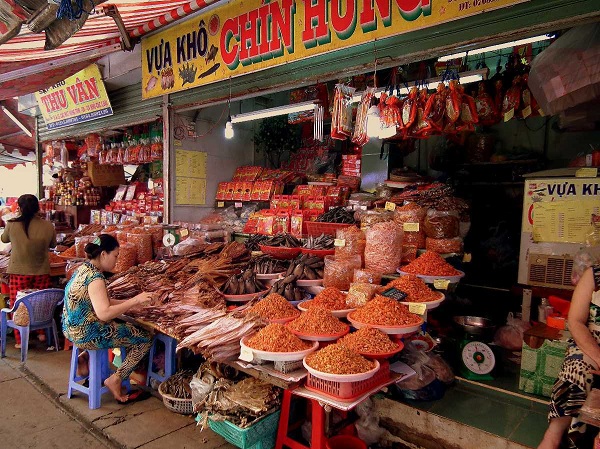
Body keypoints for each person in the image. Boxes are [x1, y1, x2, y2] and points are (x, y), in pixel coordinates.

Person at [62, 234, 153, 403]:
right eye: (115, 256)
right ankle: (116, 379)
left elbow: (101, 301)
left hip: (70, 330)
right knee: (145, 338)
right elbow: (104, 313)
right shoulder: (96, 278)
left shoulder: (83, 269)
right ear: (103, 254)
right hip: (87, 334)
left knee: (123, 324)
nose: (117, 261)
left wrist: (131, 304)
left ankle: (84, 357)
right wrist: (135, 300)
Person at [538, 263, 600, 449]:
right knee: (577, 369)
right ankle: (553, 436)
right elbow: (575, 321)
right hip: (590, 345)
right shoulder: (594, 275)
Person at [1, 194, 56, 348]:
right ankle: (41, 333)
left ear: (19, 207)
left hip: (19, 271)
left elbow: (4, 239)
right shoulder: (47, 225)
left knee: (18, 304)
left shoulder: (12, 224)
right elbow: (53, 244)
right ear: (37, 208)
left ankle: (20, 340)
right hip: (41, 270)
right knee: (41, 303)